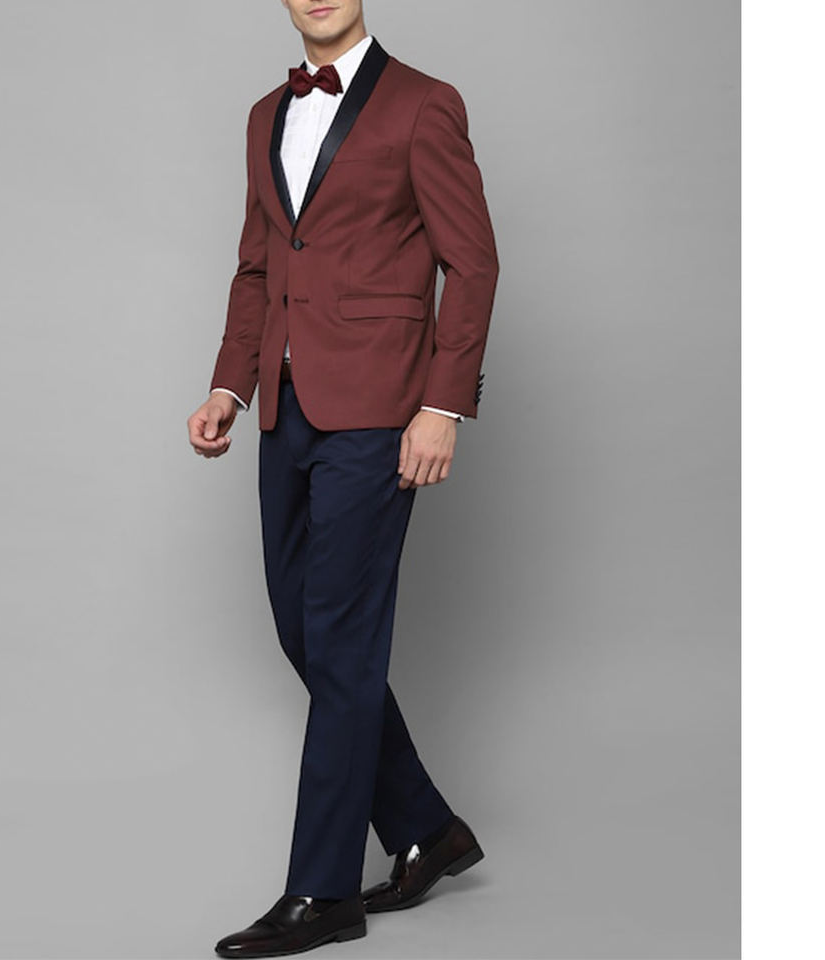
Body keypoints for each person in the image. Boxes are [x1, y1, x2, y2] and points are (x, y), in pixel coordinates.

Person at [186, 1, 499, 955]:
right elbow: (258, 265)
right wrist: (228, 386)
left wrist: (442, 406)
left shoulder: (424, 104)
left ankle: (322, 891)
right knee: (307, 629)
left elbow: (471, 262)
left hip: (380, 411)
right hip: (282, 408)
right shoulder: (264, 115)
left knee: (342, 640)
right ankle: (428, 829)